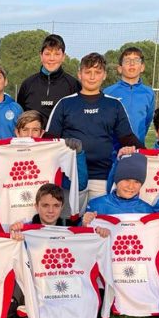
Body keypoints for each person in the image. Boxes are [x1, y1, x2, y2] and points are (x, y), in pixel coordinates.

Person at [47, 52, 145, 206]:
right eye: (88, 72)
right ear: (80, 74)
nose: (92, 77)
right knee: (70, 225)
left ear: (104, 75)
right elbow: (48, 141)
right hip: (71, 177)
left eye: (97, 72)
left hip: (102, 176)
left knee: (98, 225)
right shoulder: (65, 104)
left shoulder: (114, 105)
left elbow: (127, 137)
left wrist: (153, 155)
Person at [83, 153, 159, 229]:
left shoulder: (146, 209)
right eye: (126, 180)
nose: (131, 186)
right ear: (117, 180)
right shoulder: (96, 204)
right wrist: (84, 223)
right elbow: (84, 240)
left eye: (137, 182)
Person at [16, 34, 81, 120]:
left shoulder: (73, 85)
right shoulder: (27, 84)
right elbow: (21, 119)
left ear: (63, 57)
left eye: (57, 54)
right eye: (47, 54)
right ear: (41, 56)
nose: (52, 59)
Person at [104, 46, 154, 146]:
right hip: (113, 152)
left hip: (138, 150)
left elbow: (147, 122)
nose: (132, 63)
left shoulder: (149, 93)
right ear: (119, 68)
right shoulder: (108, 92)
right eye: (127, 61)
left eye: (136, 60)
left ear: (142, 67)